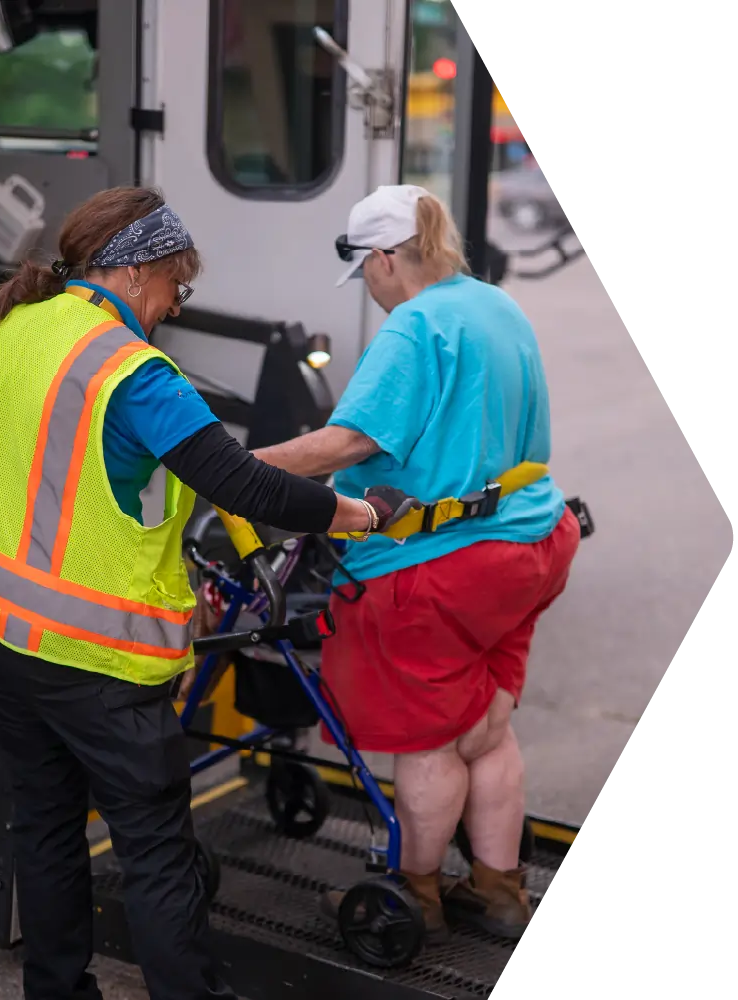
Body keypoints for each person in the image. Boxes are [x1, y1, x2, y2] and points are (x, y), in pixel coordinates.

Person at [0, 185, 420, 1000]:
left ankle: (58, 990)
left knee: (47, 824)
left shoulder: (3, 325)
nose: (173, 307)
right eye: (178, 286)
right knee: (158, 852)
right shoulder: (133, 373)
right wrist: (361, 511)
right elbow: (244, 486)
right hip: (89, 656)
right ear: (138, 272)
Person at [251, 184, 581, 941]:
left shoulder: (415, 327)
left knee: (428, 742)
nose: (369, 286)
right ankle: (499, 892)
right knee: (487, 728)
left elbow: (350, 441)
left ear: (384, 258)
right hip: (532, 542)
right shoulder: (496, 305)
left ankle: (419, 894)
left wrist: (233, 464)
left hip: (442, 568)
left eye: (367, 270)